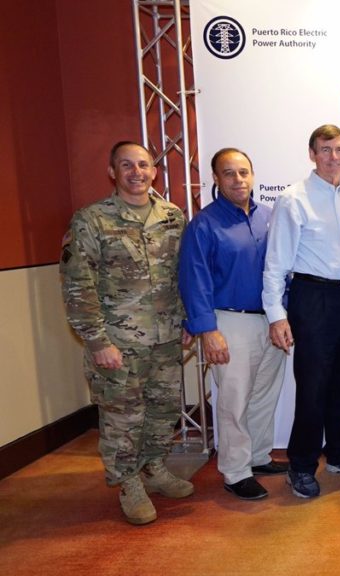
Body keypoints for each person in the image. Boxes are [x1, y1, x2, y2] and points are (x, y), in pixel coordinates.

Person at [60, 141, 193, 525]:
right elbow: (76, 284)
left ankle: (153, 467)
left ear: (154, 171)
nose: (136, 172)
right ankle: (127, 482)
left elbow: (181, 274)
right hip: (118, 342)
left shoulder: (172, 215)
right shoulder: (91, 220)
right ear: (112, 171)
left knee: (163, 409)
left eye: (143, 165)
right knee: (122, 417)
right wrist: (97, 341)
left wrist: (186, 320)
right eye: (126, 165)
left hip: (166, 336)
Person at [262, 124, 340, 500]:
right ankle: (302, 465)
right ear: (312, 154)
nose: (334, 157)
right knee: (312, 389)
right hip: (312, 298)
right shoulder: (294, 198)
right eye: (325, 150)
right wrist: (277, 315)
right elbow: (276, 262)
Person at [179, 148, 288, 501]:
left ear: (253, 175)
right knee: (233, 399)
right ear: (216, 178)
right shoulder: (204, 224)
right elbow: (194, 280)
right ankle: (235, 471)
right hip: (229, 322)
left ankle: (257, 457)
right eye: (229, 173)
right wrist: (207, 330)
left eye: (243, 172)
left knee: (263, 395)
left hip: (271, 319)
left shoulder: (270, 217)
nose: (238, 180)